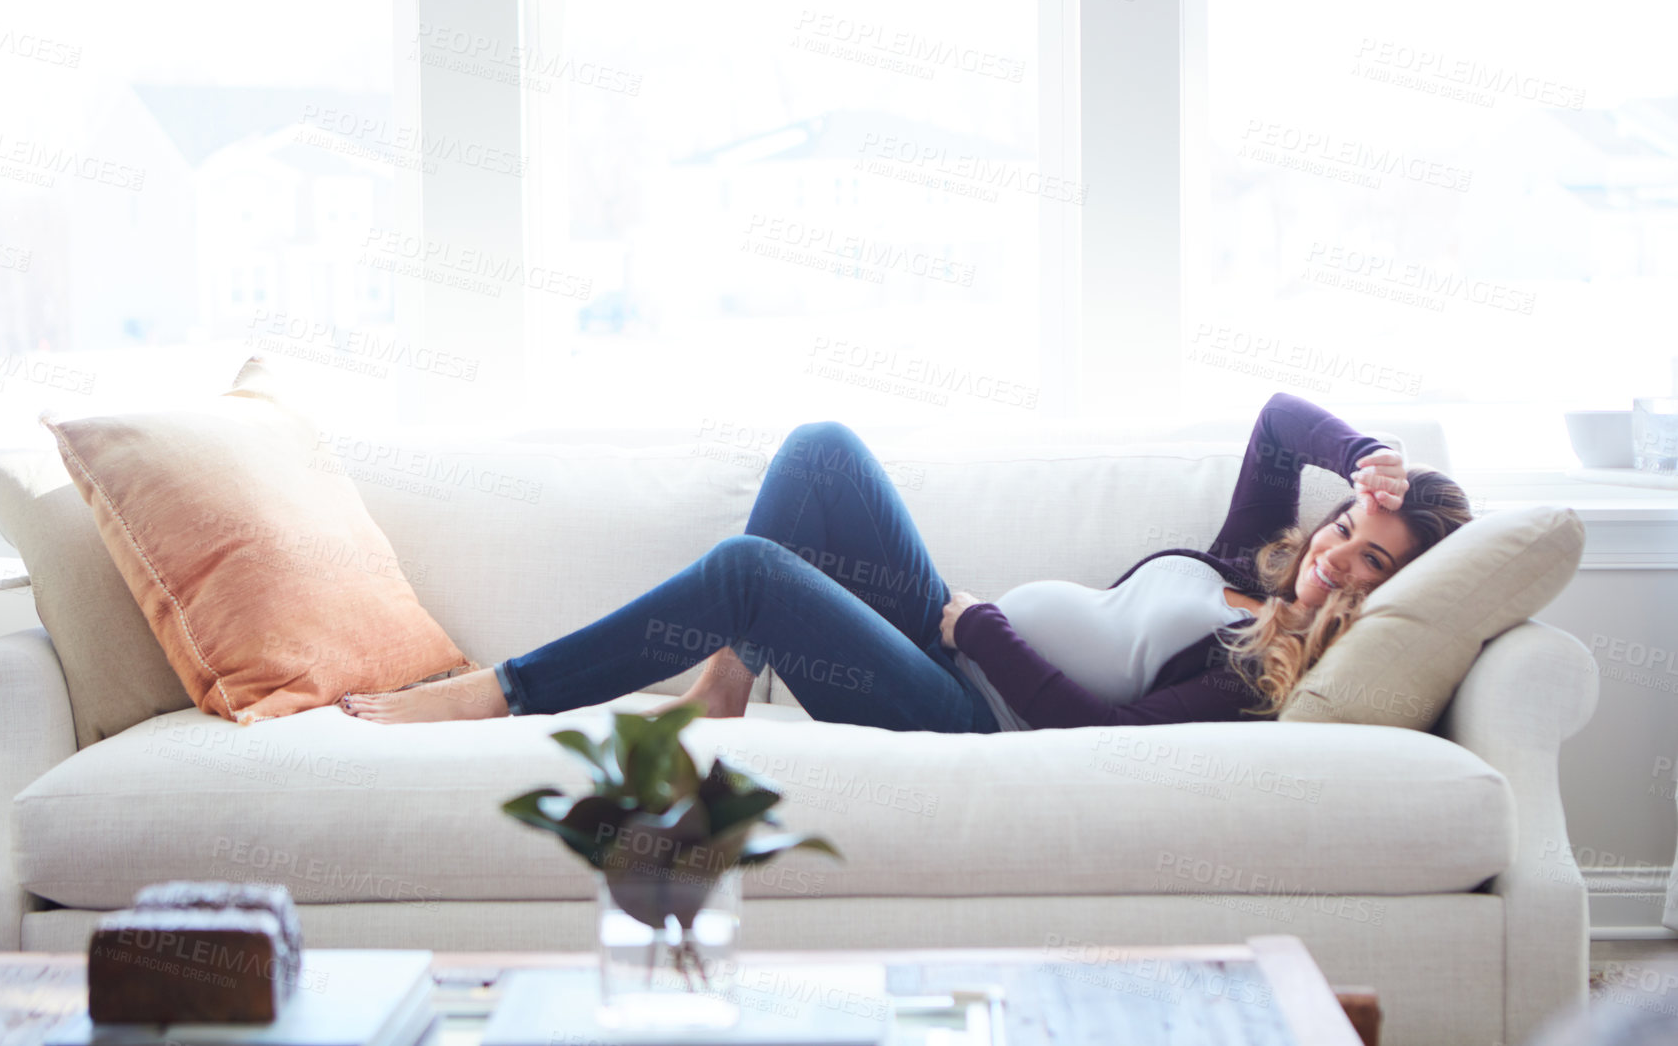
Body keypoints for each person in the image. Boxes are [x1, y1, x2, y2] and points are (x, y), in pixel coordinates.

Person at [341, 393, 1471, 731]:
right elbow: (1278, 421)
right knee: (821, 450)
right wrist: (1365, 452)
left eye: (1373, 567)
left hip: (969, 708)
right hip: (949, 638)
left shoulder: (1252, 675)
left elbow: (1097, 740)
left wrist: (976, 630)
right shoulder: (1246, 567)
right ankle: (725, 684)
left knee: (749, 569)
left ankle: (497, 691)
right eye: (1346, 530)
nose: (1339, 559)